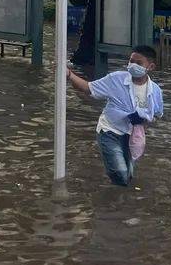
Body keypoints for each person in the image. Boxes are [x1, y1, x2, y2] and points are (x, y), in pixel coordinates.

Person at [67, 45, 164, 186]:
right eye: (131, 61)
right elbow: (88, 88)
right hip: (110, 131)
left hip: (132, 136)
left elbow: (157, 115)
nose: (132, 65)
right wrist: (69, 75)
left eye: (138, 63)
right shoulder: (116, 79)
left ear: (151, 67)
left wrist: (143, 123)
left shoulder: (155, 91)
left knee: (129, 176)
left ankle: (118, 199)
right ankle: (118, 203)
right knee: (120, 174)